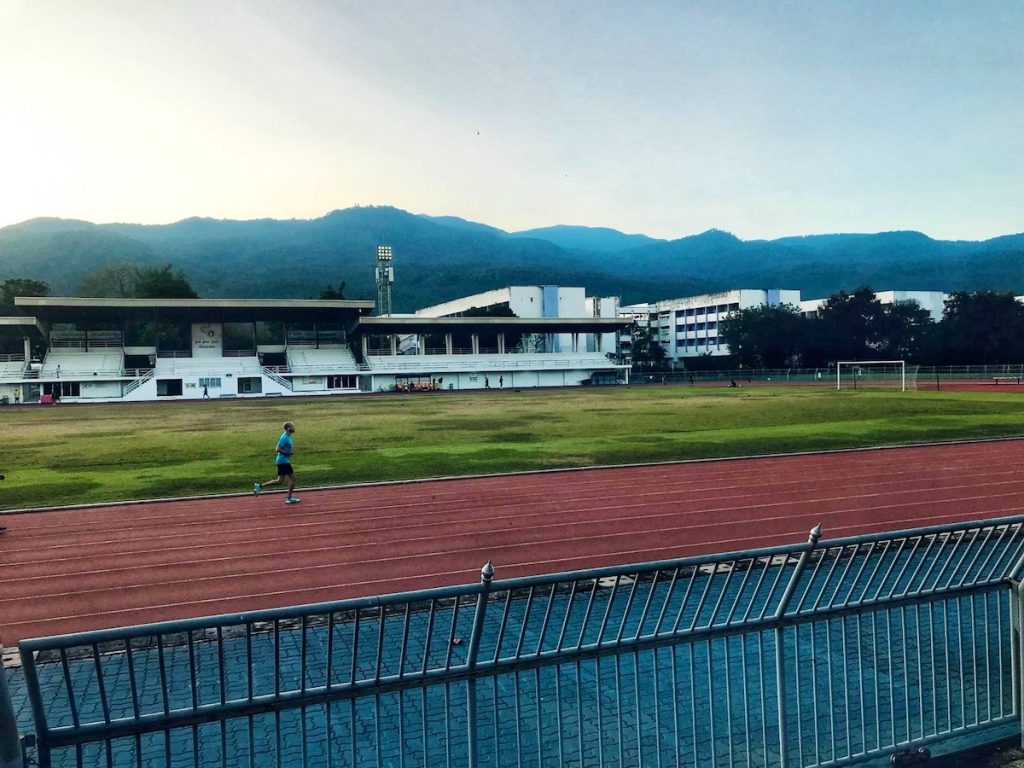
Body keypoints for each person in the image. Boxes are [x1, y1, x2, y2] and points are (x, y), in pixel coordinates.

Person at [254, 421, 299, 503]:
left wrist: (291, 450)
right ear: (289, 428)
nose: (294, 428)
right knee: (293, 479)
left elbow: (286, 446)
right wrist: (288, 453)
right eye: (293, 427)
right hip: (283, 461)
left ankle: (260, 486)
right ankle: (289, 498)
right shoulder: (284, 437)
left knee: (280, 481)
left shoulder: (288, 436)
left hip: (282, 461)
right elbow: (277, 449)